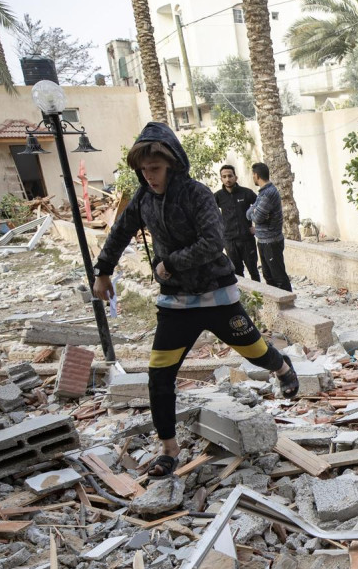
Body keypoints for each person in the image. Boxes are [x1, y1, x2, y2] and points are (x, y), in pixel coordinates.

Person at [93, 123, 299, 479]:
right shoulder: (143, 198)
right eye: (143, 170)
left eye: (155, 169)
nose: (149, 176)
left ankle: (283, 368)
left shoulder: (197, 194)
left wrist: (169, 263)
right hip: (176, 305)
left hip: (218, 297)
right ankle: (169, 450)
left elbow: (212, 241)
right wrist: (104, 270)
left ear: (171, 164)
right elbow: (121, 231)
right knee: (159, 377)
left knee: (257, 353)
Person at [247, 162, 292, 291]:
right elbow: (249, 213)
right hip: (263, 241)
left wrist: (254, 212)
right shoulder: (262, 193)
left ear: (256, 175)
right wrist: (254, 211)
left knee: (278, 276)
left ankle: (288, 304)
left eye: (253, 175)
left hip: (271, 242)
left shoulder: (268, 194)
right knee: (268, 275)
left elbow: (257, 217)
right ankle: (277, 303)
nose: (253, 177)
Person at [213, 164, 260, 282]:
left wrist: (257, 227)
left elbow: (262, 208)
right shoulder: (218, 196)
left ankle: (259, 298)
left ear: (235, 177)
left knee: (254, 271)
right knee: (237, 273)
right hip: (229, 241)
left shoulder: (246, 193)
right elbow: (209, 214)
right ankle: (242, 297)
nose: (227, 179)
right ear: (221, 179)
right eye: (224, 176)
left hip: (247, 239)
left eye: (230, 176)